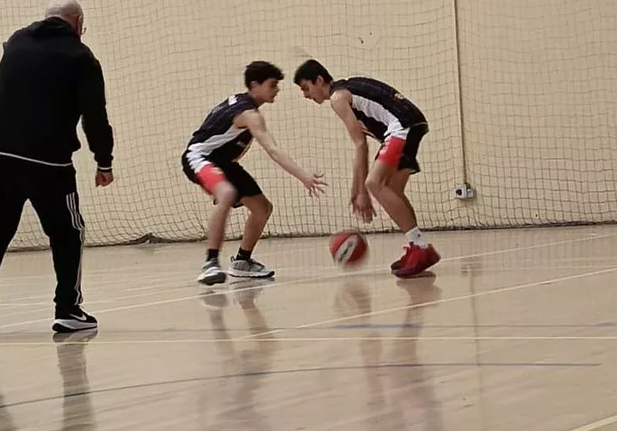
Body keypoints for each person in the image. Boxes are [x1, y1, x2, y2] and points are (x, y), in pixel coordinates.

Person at [0, 0, 114, 338]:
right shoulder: (82, 57)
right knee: (68, 231)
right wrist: (103, 160)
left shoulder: (15, 42)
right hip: (47, 158)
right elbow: (94, 115)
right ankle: (68, 309)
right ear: (78, 23)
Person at [183, 61, 326, 285]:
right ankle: (210, 263)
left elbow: (218, 137)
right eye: (272, 85)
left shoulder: (240, 103)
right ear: (254, 85)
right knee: (227, 193)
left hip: (223, 163)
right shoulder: (248, 113)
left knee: (262, 208)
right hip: (199, 158)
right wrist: (303, 176)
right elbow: (273, 150)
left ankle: (242, 261)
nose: (277, 90)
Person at [293, 59, 439, 278]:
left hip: (402, 125)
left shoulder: (337, 97)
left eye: (306, 88)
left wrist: (360, 191)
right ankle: (415, 244)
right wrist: (356, 190)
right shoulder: (349, 90)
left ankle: (420, 248)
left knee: (374, 183)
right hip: (411, 122)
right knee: (392, 189)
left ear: (319, 80)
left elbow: (360, 145)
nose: (305, 94)